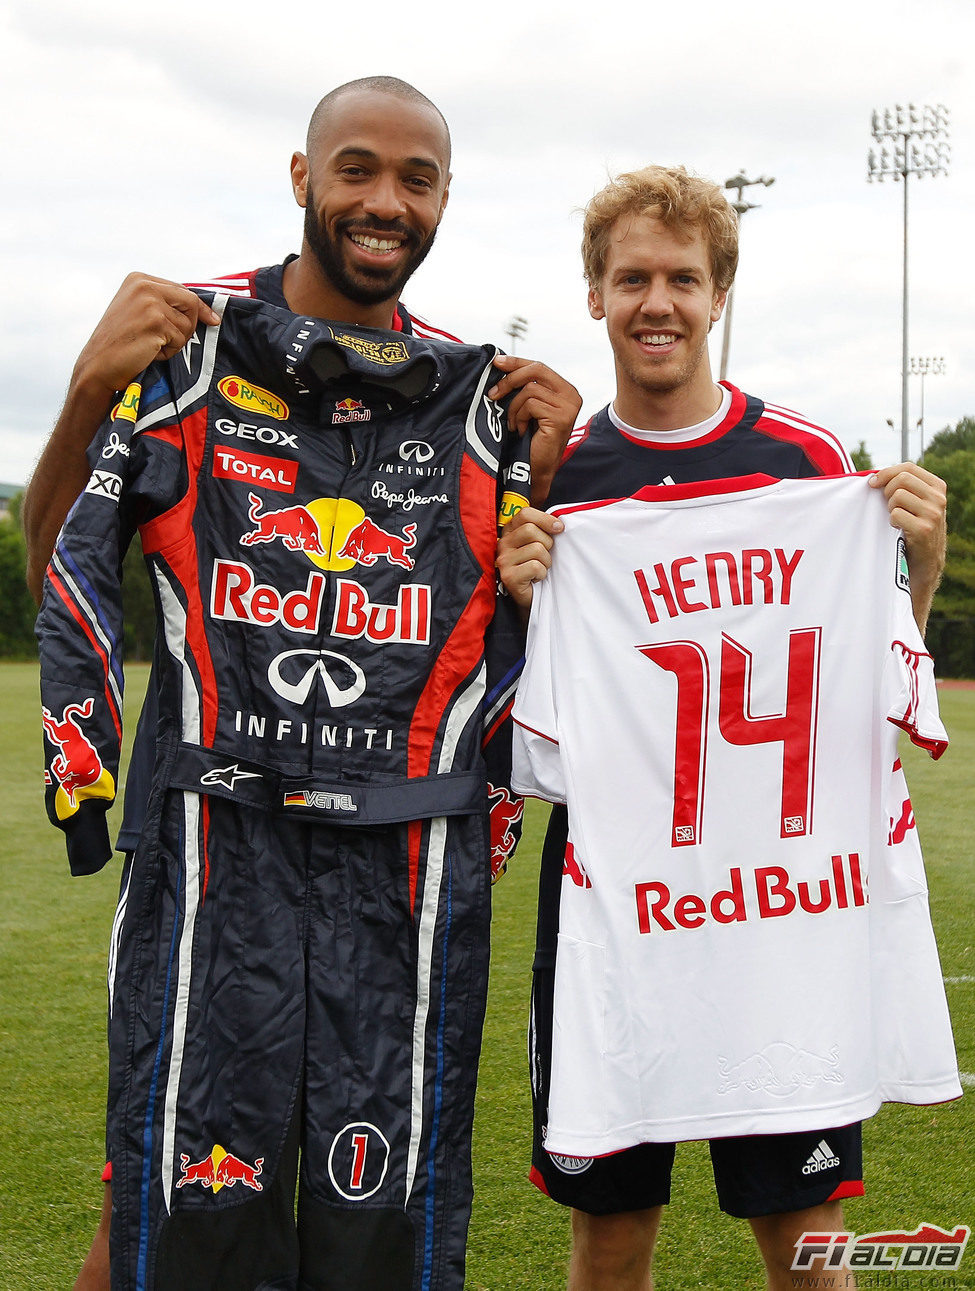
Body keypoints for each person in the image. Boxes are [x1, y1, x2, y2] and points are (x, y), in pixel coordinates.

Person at [29, 76, 580, 1291]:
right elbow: (64, 566)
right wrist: (83, 777)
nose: (385, 201)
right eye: (359, 171)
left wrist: (557, 481)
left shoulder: (480, 404)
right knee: (177, 1212)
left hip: (404, 876)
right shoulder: (186, 344)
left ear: (441, 201)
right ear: (303, 178)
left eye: (416, 180)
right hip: (211, 853)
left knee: (380, 1217)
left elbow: (543, 648)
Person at [497, 165, 949, 1291]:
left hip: (782, 911)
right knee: (610, 1234)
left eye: (684, 279)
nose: (659, 301)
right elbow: (518, 728)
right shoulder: (564, 483)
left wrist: (921, 558)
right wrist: (521, 601)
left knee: (803, 1233)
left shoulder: (806, 462)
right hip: (622, 905)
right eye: (633, 277)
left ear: (720, 296)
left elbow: (871, 669)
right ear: (595, 296)